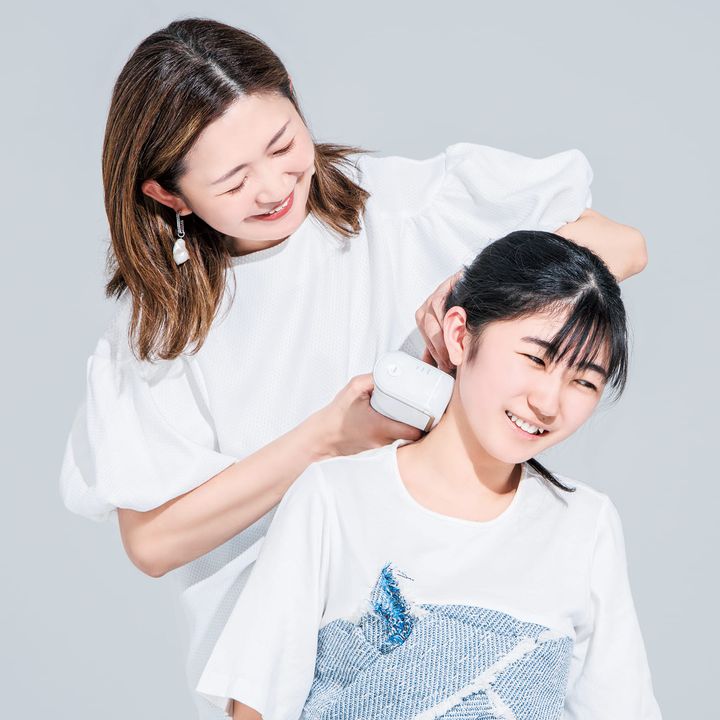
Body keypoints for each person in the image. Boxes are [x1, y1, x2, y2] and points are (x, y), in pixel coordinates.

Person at [59, 18, 647, 719]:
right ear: (169, 195)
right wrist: (326, 440)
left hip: (447, 602)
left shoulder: (398, 207)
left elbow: (622, 247)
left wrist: (476, 282)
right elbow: (153, 542)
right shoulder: (164, 330)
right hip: (279, 672)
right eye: (234, 180)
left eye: (283, 145)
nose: (274, 186)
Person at [197, 231, 661, 720]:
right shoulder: (335, 496)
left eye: (583, 381)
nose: (548, 402)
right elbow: (256, 705)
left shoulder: (584, 525)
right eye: (534, 358)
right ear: (460, 336)